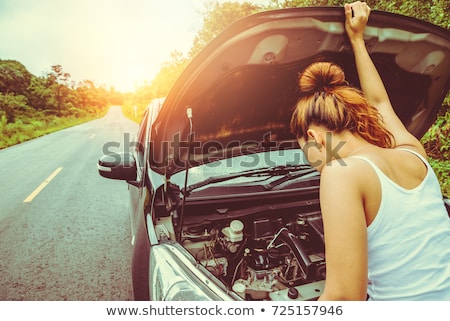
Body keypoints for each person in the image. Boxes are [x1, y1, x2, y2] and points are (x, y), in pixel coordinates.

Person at [290, 1, 450, 300]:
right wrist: (357, 39)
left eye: (303, 148)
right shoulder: (411, 151)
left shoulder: (341, 173)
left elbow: (345, 298)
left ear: (314, 138)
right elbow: (379, 104)